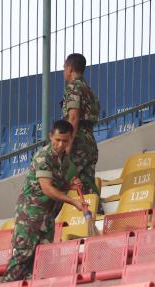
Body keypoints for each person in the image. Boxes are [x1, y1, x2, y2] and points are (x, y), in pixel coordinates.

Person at [2, 120, 87, 282]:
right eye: (57, 140)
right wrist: (73, 202)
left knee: (43, 259)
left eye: (65, 141)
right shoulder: (43, 156)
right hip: (30, 214)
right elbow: (47, 189)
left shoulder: (64, 160)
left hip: (46, 216)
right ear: (50, 137)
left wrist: (70, 185)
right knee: (22, 256)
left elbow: (58, 184)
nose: (61, 145)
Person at [62, 53, 101, 201]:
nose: (63, 71)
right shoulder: (89, 90)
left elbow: (73, 117)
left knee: (63, 179)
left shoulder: (73, 87)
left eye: (64, 67)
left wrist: (67, 145)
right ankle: (96, 213)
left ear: (70, 68)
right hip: (89, 140)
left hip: (77, 141)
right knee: (87, 183)